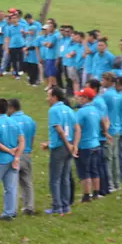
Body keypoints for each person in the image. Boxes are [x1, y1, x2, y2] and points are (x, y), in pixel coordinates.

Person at [41, 86, 76, 216]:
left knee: (55, 179)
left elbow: (59, 130)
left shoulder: (53, 110)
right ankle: (66, 207)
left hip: (59, 148)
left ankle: (57, 207)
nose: (47, 99)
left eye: (48, 96)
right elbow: (76, 128)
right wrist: (73, 145)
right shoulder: (68, 109)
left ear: (55, 97)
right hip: (69, 147)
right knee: (65, 178)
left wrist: (66, 144)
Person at [7, 99, 37, 215]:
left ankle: (12, 209)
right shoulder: (30, 120)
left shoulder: (10, 121)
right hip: (27, 153)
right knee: (27, 181)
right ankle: (29, 206)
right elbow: (32, 137)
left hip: (15, 154)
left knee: (12, 182)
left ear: (12, 108)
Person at [73, 88, 103, 203]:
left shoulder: (81, 112)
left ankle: (86, 195)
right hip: (96, 143)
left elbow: (76, 128)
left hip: (84, 145)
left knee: (84, 171)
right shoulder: (96, 110)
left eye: (80, 96)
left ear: (85, 98)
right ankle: (96, 193)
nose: (78, 98)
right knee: (94, 169)